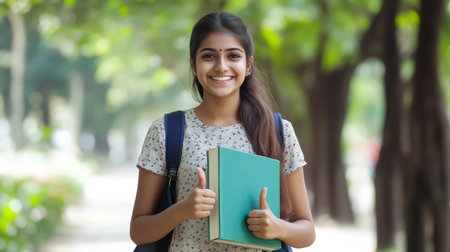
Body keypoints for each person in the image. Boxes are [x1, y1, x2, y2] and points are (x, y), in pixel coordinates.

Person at [130, 11, 315, 251]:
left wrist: (278, 228)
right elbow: (138, 231)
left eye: (233, 56)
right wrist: (181, 210)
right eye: (208, 56)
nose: (221, 66)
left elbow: (307, 231)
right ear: (193, 64)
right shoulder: (166, 132)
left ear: (248, 65)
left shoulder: (279, 131)